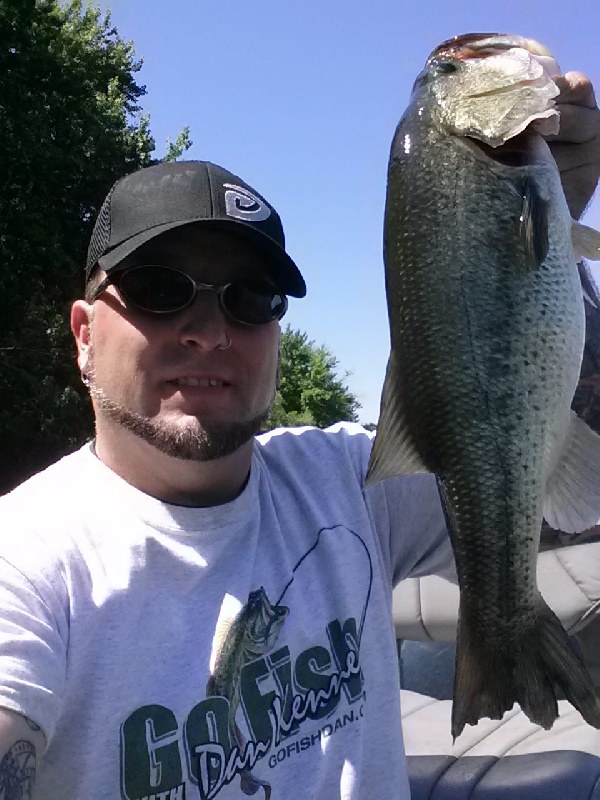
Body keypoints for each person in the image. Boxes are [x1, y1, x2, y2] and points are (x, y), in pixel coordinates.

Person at [0, 71, 598, 800]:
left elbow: (532, 450)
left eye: (250, 298)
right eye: (160, 289)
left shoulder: (350, 481)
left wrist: (532, 251)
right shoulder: (26, 563)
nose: (210, 332)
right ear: (85, 335)